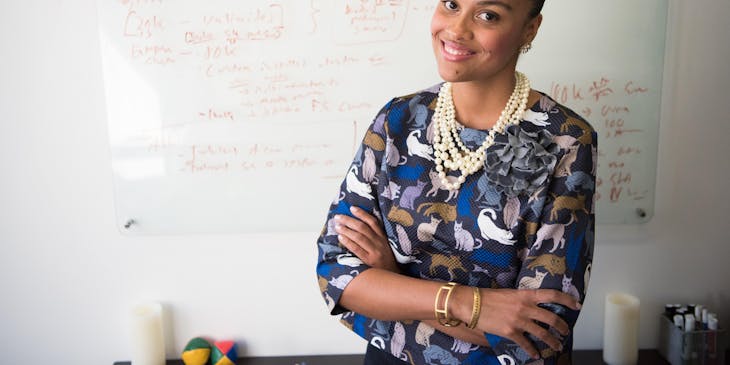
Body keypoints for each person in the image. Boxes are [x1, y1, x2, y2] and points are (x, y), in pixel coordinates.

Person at [315, 0, 596, 364]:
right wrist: (470, 304)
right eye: (451, 4)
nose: (457, 29)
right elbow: (337, 272)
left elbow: (538, 330)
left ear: (529, 29)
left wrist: (391, 280)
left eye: (488, 15)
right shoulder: (397, 120)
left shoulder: (563, 141)